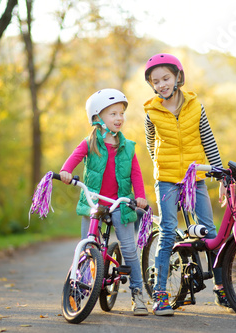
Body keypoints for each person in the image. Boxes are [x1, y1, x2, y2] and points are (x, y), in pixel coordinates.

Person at [143, 53, 230, 316]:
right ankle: (160, 294)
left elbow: (208, 140)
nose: (161, 84)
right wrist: (163, 168)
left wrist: (220, 174)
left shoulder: (196, 105)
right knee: (168, 230)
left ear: (178, 77)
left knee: (211, 234)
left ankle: (221, 287)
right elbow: (150, 144)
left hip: (195, 178)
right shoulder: (151, 112)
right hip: (167, 179)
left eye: (166, 78)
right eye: (155, 81)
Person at [59, 88, 149, 316]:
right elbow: (74, 158)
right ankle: (80, 288)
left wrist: (140, 197)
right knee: (87, 246)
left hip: (120, 202)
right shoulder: (90, 143)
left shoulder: (128, 147)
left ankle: (138, 294)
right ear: (98, 118)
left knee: (129, 248)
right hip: (95, 202)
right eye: (113, 114)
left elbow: (136, 173)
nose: (119, 118)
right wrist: (66, 172)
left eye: (121, 114)